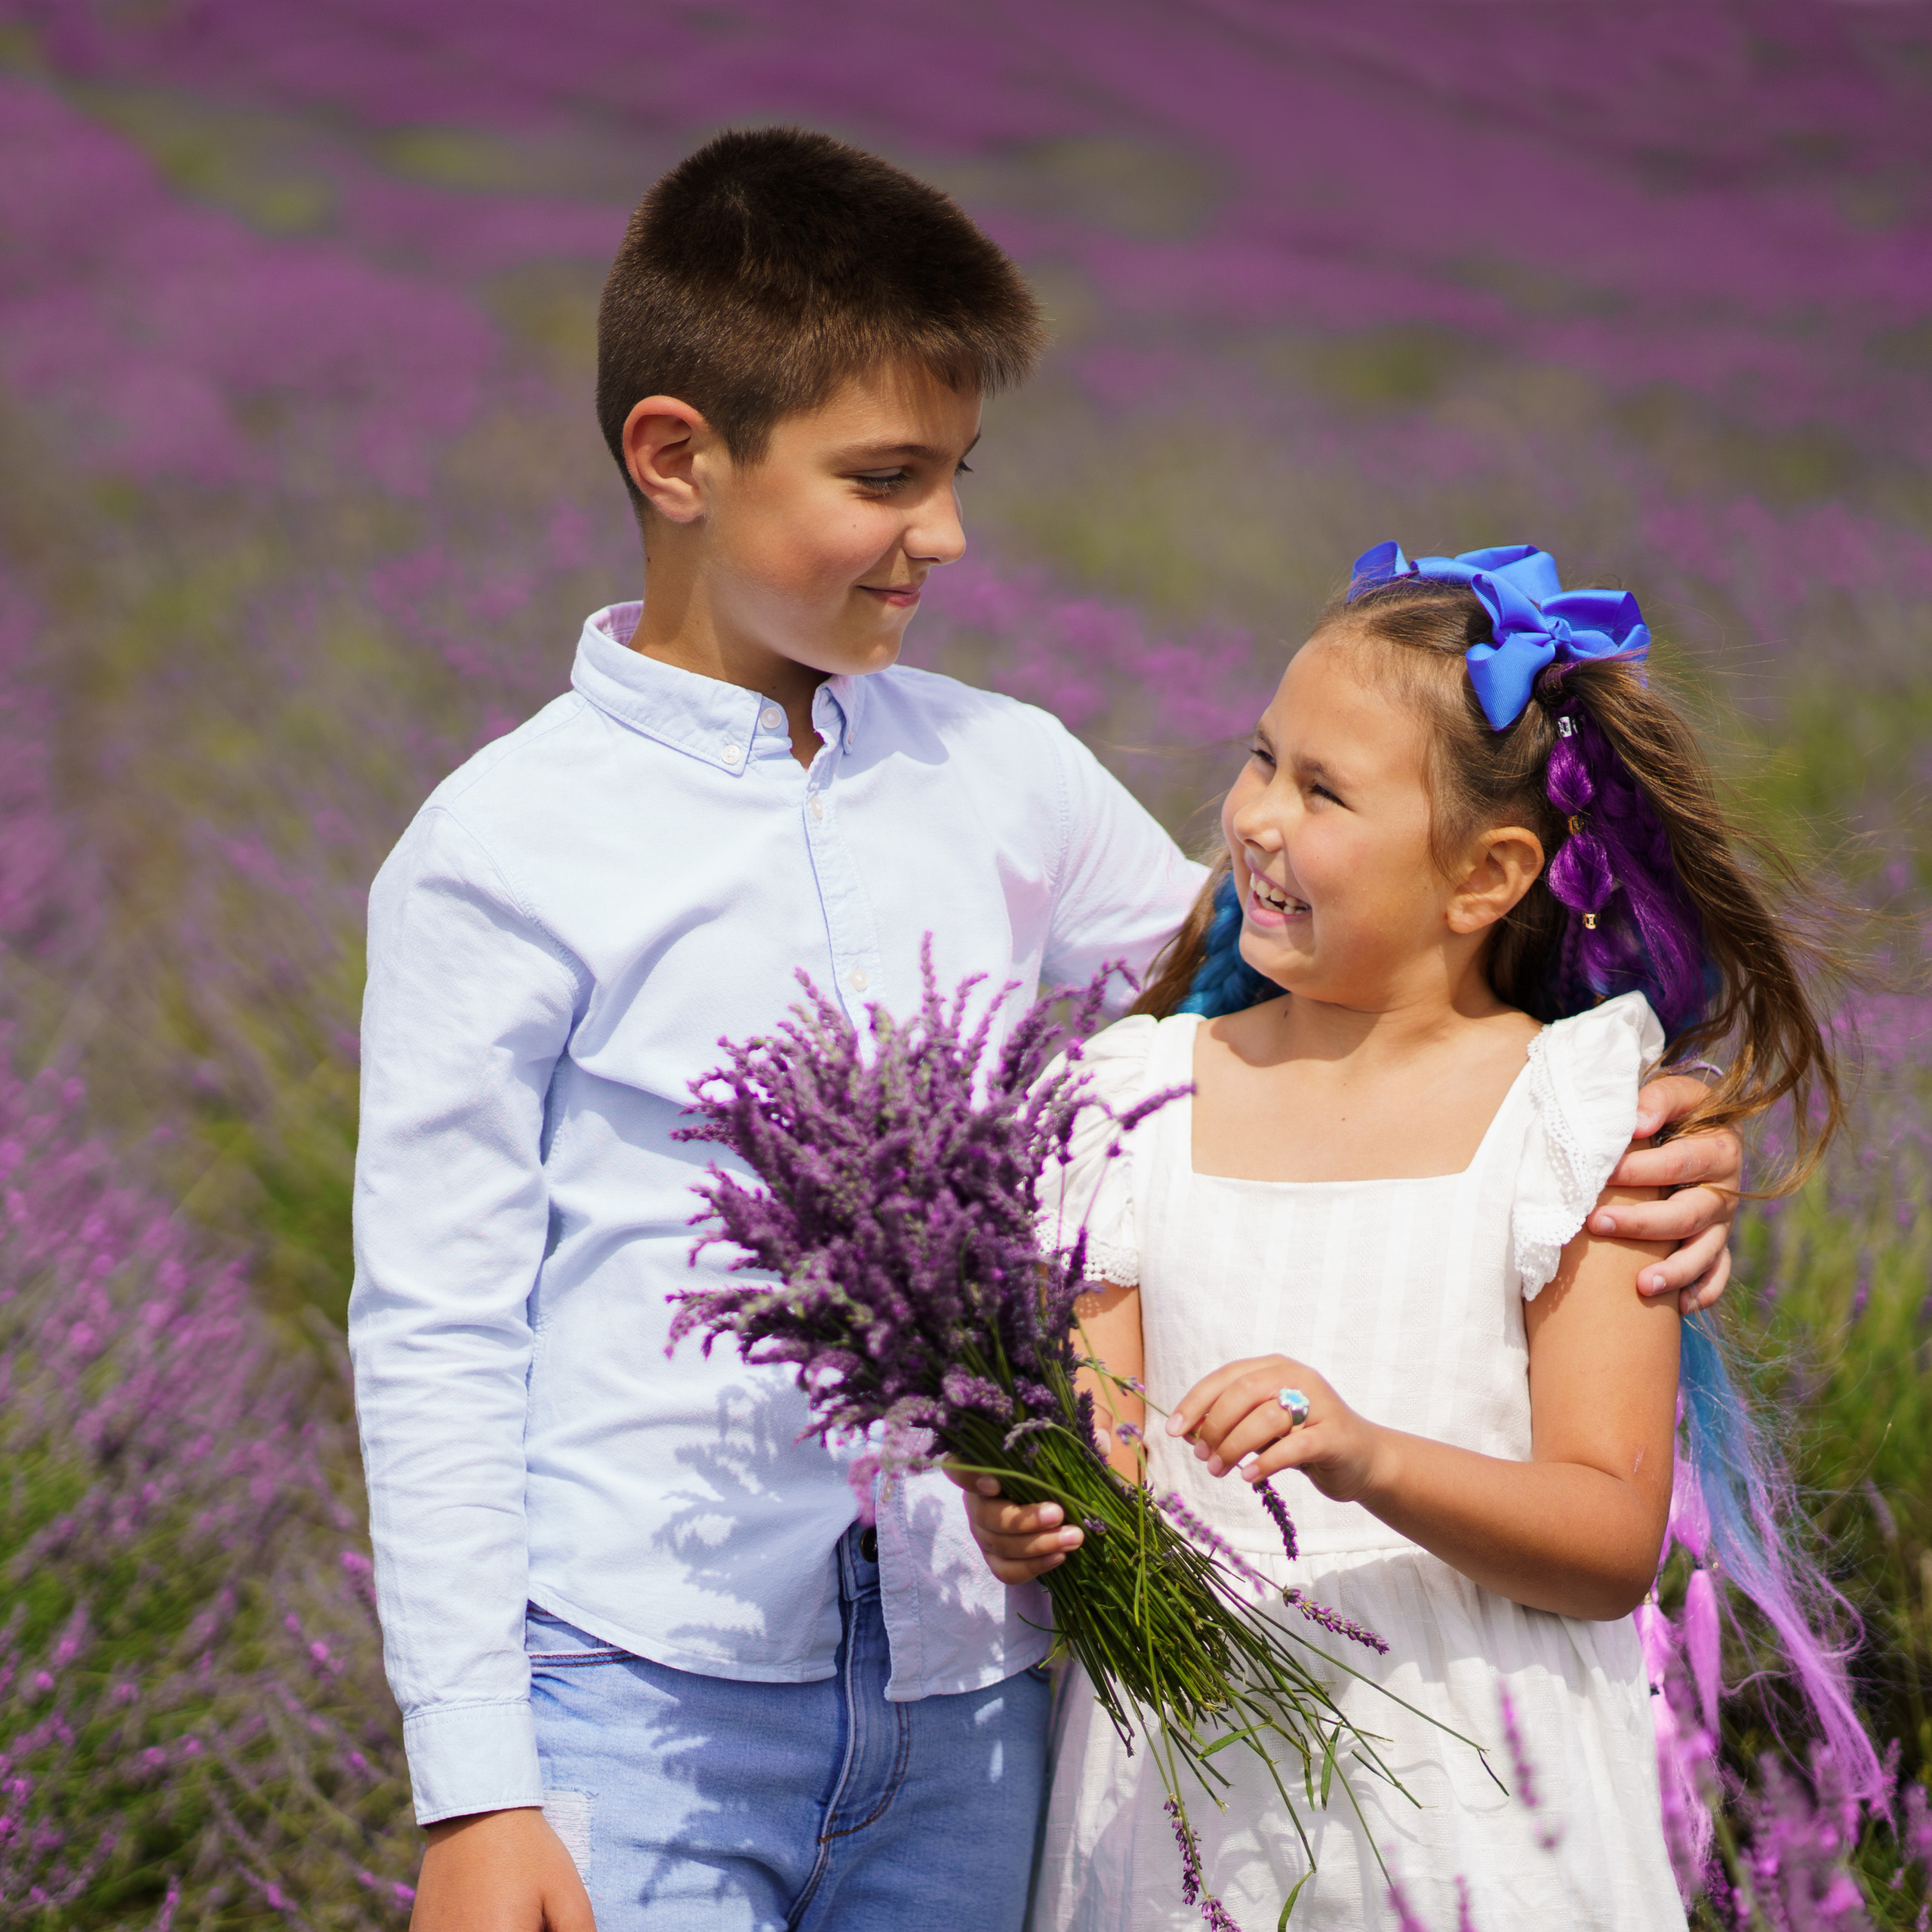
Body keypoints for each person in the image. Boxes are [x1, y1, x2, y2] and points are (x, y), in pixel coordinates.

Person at [347, 122, 1745, 1932]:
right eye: (886, 477)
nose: (944, 533)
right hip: (649, 1690)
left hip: (976, 1696)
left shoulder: (1000, 769)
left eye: (956, 473)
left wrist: (1637, 1135)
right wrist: (478, 1787)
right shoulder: (497, 850)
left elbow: (1326, 978)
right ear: (676, 457)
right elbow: (436, 1327)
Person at [969, 545, 1873, 1930]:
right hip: (1183, 1813)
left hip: (1483, 1822)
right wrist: (1029, 1513)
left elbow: (1608, 1535)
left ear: (1486, 875)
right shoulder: (1131, 1099)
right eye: (1262, 760)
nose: (1256, 818)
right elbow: (1108, 1472)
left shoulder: (1574, 1117)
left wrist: (1367, 1455)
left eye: (1323, 791)